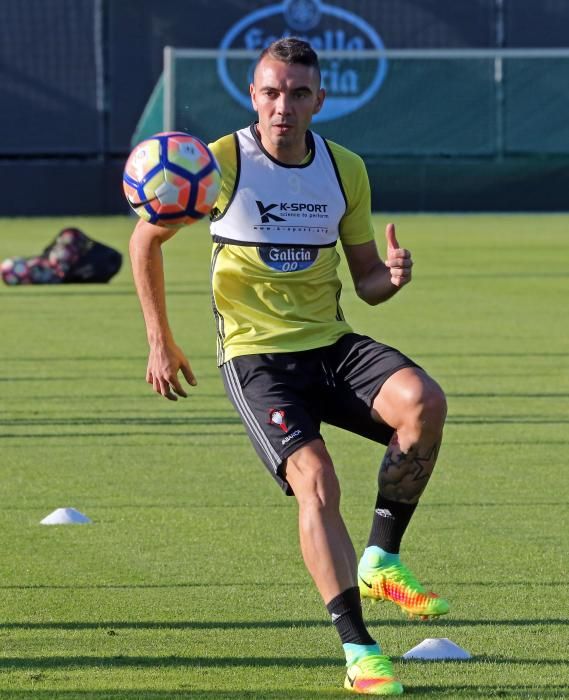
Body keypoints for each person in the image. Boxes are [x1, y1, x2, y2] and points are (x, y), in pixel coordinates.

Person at [129, 37, 449, 697]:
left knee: (423, 401)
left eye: (297, 93)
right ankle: (359, 650)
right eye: (270, 92)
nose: (283, 106)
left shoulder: (343, 168)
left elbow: (365, 282)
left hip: (328, 344)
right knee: (317, 480)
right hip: (255, 357)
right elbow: (145, 239)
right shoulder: (215, 163)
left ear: (318, 100)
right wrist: (159, 339)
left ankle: (382, 559)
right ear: (253, 95)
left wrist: (390, 277)